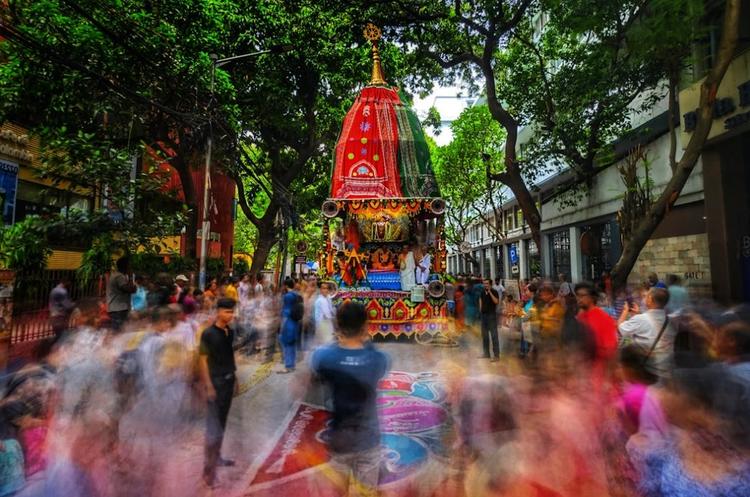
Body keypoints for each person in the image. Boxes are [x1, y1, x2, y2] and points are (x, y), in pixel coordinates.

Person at [310, 302, 389, 496]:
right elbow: (374, 354)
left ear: (338, 324)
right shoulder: (379, 359)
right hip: (368, 439)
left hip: (340, 440)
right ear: (365, 326)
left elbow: (314, 382)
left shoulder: (324, 358)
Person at [199, 298, 239, 487]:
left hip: (228, 382)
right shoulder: (208, 334)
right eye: (226, 312)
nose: (229, 315)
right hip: (215, 384)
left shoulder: (229, 332)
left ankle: (218, 457)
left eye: (231, 312)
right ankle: (208, 473)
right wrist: (208, 385)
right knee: (212, 429)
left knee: (221, 424)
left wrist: (235, 377)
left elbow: (229, 355)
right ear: (218, 312)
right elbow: (202, 360)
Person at [618, 287, 676, 380]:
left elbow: (621, 328)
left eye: (646, 296)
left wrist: (625, 312)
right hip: (666, 372)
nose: (644, 298)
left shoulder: (641, 319)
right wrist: (639, 314)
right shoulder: (671, 320)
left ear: (650, 300)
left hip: (647, 374)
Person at [575, 282, 618, 389]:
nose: (579, 299)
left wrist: (607, 381)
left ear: (592, 297)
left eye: (582, 295)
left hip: (599, 376)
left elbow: (611, 351)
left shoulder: (604, 319)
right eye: (577, 295)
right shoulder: (579, 317)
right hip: (582, 374)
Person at [278, 278, 302, 373]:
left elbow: (285, 311)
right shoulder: (297, 295)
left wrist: (281, 325)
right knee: (292, 344)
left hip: (288, 322)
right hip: (295, 322)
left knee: (286, 344)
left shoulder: (287, 296)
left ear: (286, 286)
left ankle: (288, 366)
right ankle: (292, 364)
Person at [106, 257, 136, 331]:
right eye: (129, 266)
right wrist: (131, 277)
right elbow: (130, 289)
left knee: (117, 330)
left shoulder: (114, 275)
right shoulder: (119, 276)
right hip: (119, 309)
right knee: (119, 332)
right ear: (126, 266)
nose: (131, 268)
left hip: (115, 309)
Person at [479, 279, 501, 362]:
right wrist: (480, 311)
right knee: (484, 336)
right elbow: (480, 300)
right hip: (484, 316)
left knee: (494, 336)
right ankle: (486, 353)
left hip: (491, 316)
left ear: (490, 284)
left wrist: (490, 292)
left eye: (487, 284)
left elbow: (496, 302)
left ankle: (496, 355)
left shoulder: (494, 291)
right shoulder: (482, 292)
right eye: (484, 283)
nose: (485, 285)